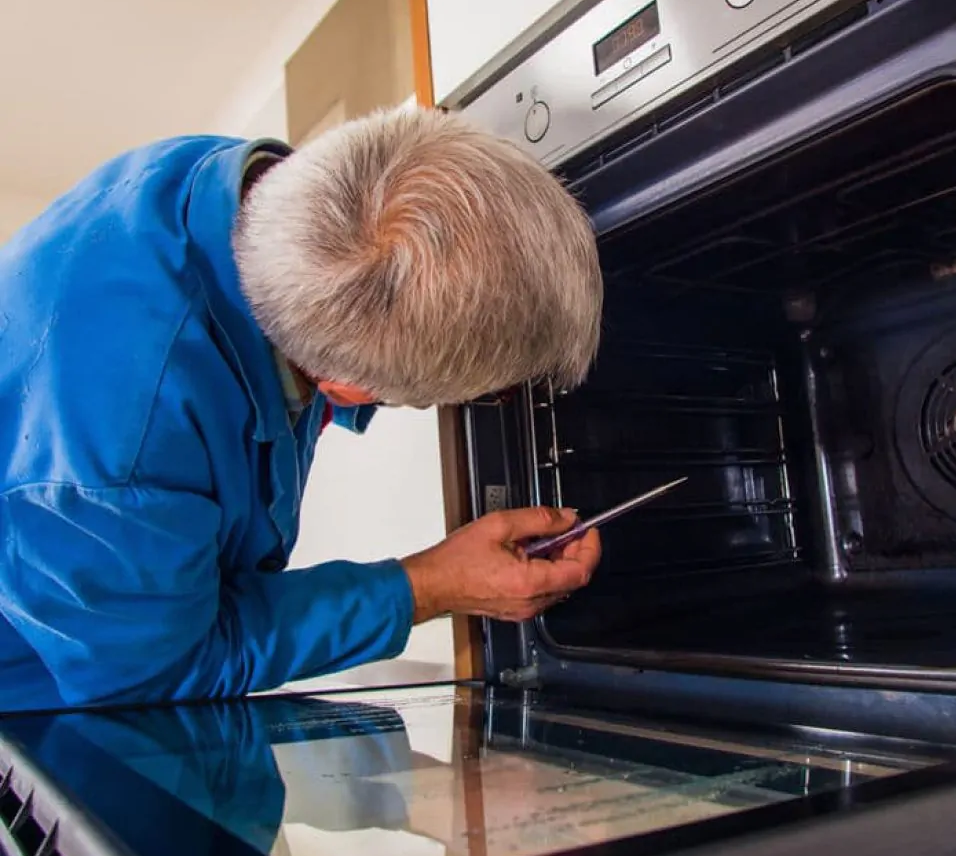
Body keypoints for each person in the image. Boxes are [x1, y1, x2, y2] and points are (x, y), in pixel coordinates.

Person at [0, 106, 603, 712]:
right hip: (50, 710)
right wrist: (430, 586)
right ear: (344, 385)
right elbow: (163, 670)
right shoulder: (116, 468)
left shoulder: (260, 195)